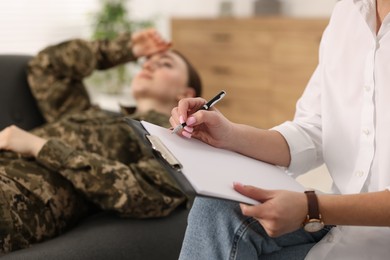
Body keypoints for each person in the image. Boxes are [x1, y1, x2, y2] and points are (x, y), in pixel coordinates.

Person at [169, 0, 390, 259]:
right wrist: (230, 135)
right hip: (342, 230)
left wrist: (313, 208)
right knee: (218, 206)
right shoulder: (348, 13)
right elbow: (314, 129)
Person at [0, 28, 202, 253]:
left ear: (185, 94)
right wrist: (126, 49)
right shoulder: (86, 113)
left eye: (165, 63)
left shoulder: (169, 141)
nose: (148, 64)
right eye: (147, 60)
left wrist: (40, 147)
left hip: (17, 197)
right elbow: (46, 65)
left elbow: (141, 192)